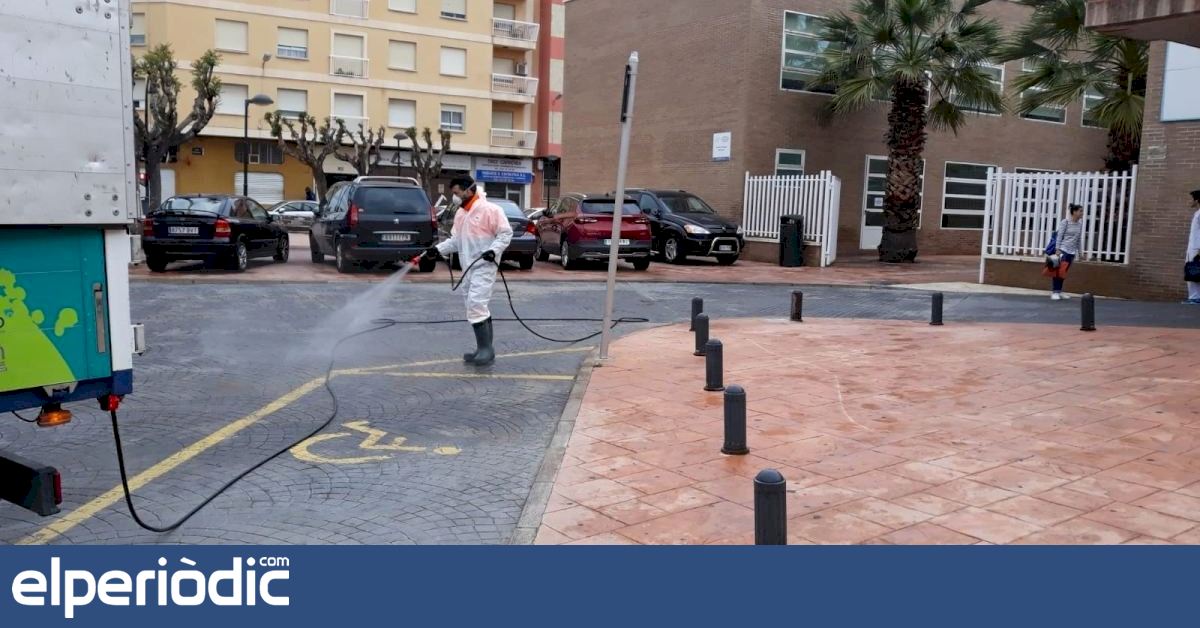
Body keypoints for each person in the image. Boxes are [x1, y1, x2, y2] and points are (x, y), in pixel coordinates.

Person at [424, 176, 513, 366]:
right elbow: (456, 240)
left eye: (456, 193)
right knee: (474, 305)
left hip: (485, 265)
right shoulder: (461, 213)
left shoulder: (491, 210)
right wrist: (438, 250)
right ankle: (484, 348)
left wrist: (493, 250)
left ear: (469, 190)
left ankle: (485, 350)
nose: (454, 197)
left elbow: (505, 234)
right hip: (468, 267)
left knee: (476, 303)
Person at [1045, 203, 1084, 301]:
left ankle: (1059, 291)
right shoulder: (1065, 222)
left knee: (1063, 272)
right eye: (1080, 211)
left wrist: (1080, 252)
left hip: (1071, 252)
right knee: (1058, 271)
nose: (1082, 213)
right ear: (1074, 212)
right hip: (1063, 250)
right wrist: (1057, 249)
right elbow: (1059, 236)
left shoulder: (1079, 225)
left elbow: (1078, 239)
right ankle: (1055, 292)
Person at [1187, 190, 1200, 305]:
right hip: (1193, 247)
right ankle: (1194, 297)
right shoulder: (1197, 213)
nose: (1190, 202)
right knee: (1192, 270)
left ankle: (1195, 297)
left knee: (1194, 270)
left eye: (1192, 199)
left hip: (1197, 248)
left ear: (1197, 200)